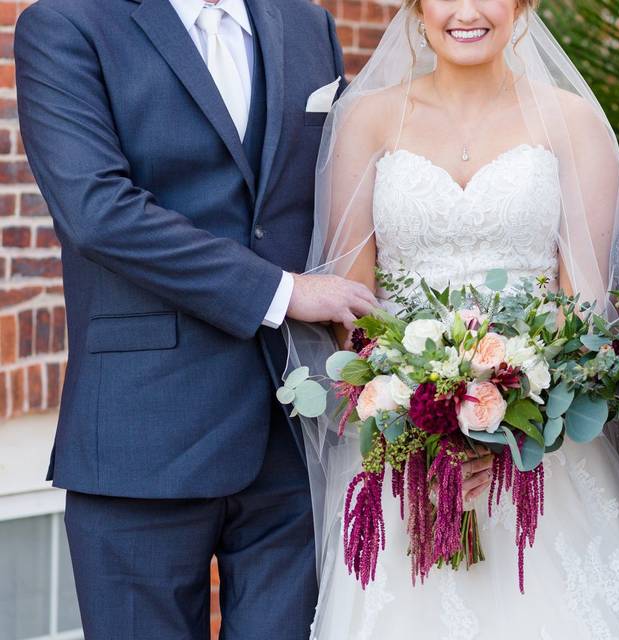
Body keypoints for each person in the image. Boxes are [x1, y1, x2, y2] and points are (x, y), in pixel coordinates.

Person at [284, 1, 619, 638]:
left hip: (541, 441)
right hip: (403, 439)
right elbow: (351, 299)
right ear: (417, 8)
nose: (467, 11)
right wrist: (417, 422)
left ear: (522, 5)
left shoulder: (572, 121)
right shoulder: (366, 118)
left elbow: (586, 305)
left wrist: (510, 417)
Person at [14, 0, 375, 637]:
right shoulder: (67, 25)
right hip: (142, 439)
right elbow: (98, 212)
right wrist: (282, 292)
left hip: (293, 437)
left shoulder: (307, 23)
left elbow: (335, 193)